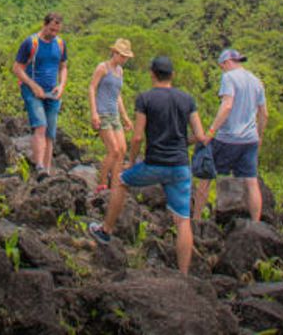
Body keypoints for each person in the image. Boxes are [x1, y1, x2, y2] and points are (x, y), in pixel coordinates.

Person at [88, 55, 207, 275]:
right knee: (183, 221)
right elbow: (199, 136)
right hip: (180, 166)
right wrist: (182, 142)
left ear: (152, 74)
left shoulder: (146, 98)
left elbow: (137, 137)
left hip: (154, 163)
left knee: (122, 181)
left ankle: (106, 230)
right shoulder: (187, 99)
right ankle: (183, 275)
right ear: (172, 75)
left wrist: (131, 161)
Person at [192, 47, 268, 222]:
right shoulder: (257, 81)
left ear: (226, 62)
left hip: (227, 138)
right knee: (251, 182)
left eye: (222, 66)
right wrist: (259, 136)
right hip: (250, 139)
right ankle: (256, 224)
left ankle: (195, 220)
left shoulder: (228, 78)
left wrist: (210, 132)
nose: (222, 70)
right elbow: (264, 114)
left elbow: (227, 106)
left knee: (206, 176)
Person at [12, 12, 68, 178]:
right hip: (32, 90)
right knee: (40, 126)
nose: (53, 33)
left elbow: (63, 66)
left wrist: (62, 85)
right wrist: (33, 86)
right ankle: (39, 167)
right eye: (51, 29)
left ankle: (47, 170)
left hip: (52, 92)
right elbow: (17, 68)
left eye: (57, 30)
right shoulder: (31, 43)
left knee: (50, 132)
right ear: (44, 25)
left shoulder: (60, 43)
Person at [88, 38, 135, 193]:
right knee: (113, 150)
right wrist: (94, 113)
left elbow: (117, 95)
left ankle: (115, 184)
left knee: (122, 149)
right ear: (114, 53)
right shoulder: (103, 68)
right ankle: (101, 184)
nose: (124, 59)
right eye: (122, 56)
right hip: (103, 113)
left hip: (114, 114)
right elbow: (92, 88)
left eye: (126, 57)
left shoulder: (120, 71)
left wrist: (125, 117)